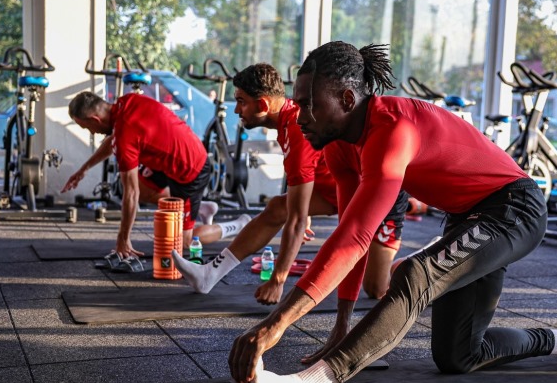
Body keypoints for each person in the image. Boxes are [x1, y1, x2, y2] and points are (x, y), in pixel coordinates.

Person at [227, 41, 557, 383]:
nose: (298, 116)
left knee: (412, 275)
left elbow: (354, 238)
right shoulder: (339, 145)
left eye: (310, 105)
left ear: (347, 101)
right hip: (467, 217)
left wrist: (274, 325)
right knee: (459, 355)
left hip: (514, 209)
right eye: (298, 105)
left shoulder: (392, 129)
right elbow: (354, 237)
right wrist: (342, 322)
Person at [171, 63, 423, 318]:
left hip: (379, 194)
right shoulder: (288, 121)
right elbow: (303, 189)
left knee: (376, 289)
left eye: (241, 102)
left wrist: (278, 279)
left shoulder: (297, 130)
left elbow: (297, 219)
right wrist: (302, 213)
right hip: (338, 190)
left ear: (263, 105)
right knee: (278, 207)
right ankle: (210, 274)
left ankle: (424, 259)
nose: (237, 110)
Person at [62, 91, 251, 259]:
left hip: (191, 169)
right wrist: (83, 169)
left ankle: (239, 225)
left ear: (95, 120)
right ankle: (200, 207)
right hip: (166, 161)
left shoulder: (124, 135)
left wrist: (123, 238)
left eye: (87, 128)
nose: (91, 132)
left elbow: (131, 194)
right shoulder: (127, 102)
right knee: (144, 190)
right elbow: (113, 142)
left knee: (184, 240)